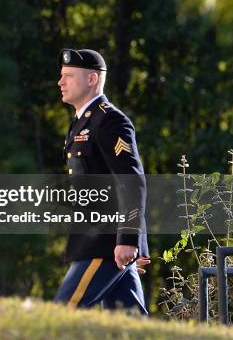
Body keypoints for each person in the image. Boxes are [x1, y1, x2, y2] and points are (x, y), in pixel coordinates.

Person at [54, 48, 149, 313]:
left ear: (92, 79)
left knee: (63, 312)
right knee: (129, 326)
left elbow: (131, 180)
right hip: (97, 239)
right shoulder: (81, 123)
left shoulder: (109, 121)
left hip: (105, 242)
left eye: (69, 76)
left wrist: (129, 239)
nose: (60, 82)